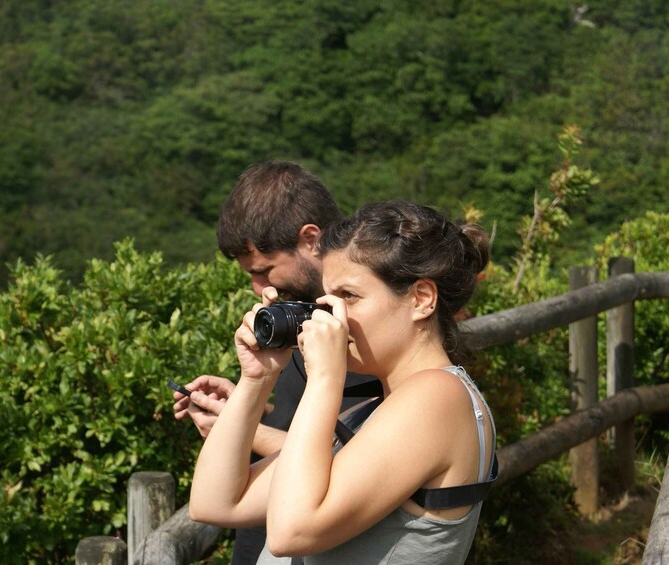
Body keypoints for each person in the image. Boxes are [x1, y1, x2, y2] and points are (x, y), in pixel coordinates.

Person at [188, 200, 497, 564]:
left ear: (421, 299)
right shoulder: (374, 410)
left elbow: (291, 532)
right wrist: (257, 379)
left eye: (349, 296)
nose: (327, 315)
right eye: (326, 298)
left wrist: (324, 380)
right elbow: (216, 502)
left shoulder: (437, 398)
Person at [172, 160, 378, 563]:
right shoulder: (300, 315)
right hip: (260, 534)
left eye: (264, 270)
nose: (258, 287)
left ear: (311, 239)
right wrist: (247, 401)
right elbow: (304, 415)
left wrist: (244, 429)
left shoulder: (362, 333)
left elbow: (352, 453)